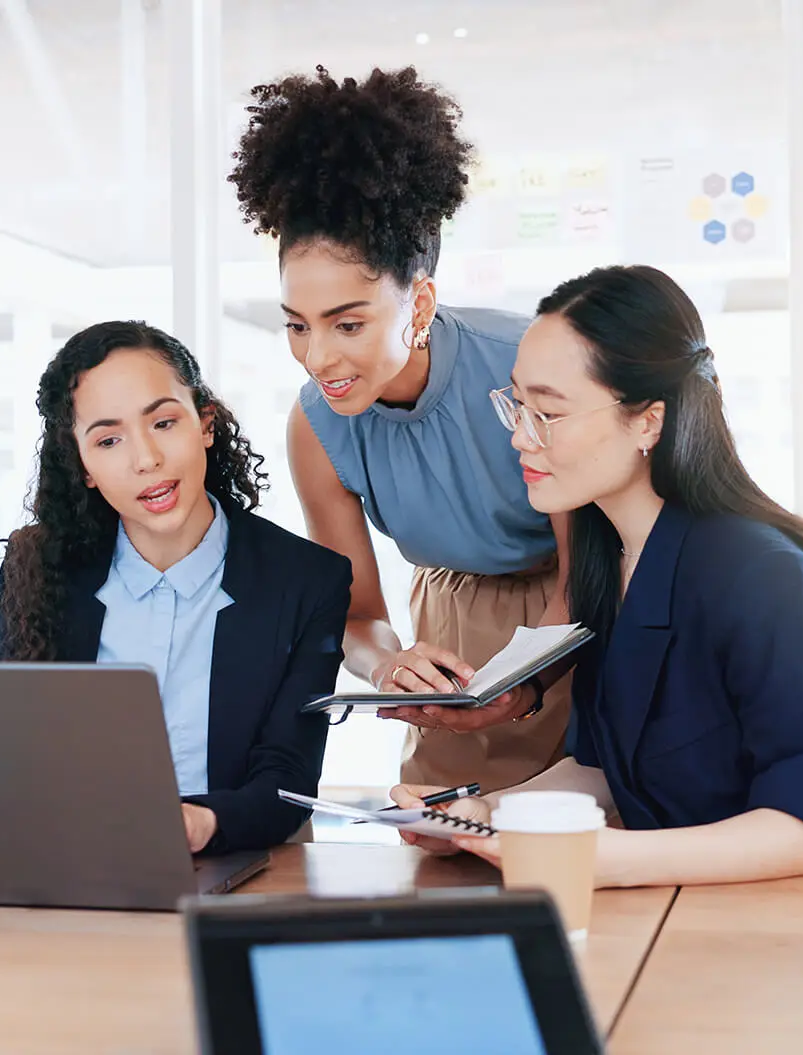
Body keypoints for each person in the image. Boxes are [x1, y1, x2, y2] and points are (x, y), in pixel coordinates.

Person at [393, 265, 803, 886]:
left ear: (648, 420)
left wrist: (592, 858)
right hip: (689, 912)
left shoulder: (768, 578)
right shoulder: (605, 560)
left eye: (549, 413)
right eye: (517, 405)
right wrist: (485, 815)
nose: (520, 439)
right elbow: (606, 770)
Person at [228, 65, 572, 791]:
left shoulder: (529, 364)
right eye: (297, 325)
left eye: (348, 323)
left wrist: (522, 679)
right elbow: (357, 614)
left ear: (418, 305)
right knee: (442, 840)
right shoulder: (316, 424)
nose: (319, 357)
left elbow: (587, 570)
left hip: (570, 620)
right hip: (447, 624)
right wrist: (390, 663)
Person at [0, 320, 352, 855]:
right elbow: (5, 757)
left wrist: (202, 823)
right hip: (68, 868)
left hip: (239, 868)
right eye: (108, 439)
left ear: (205, 422)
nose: (145, 460)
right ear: (83, 465)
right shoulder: (37, 569)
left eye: (162, 423)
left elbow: (287, 782)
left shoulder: (306, 581)